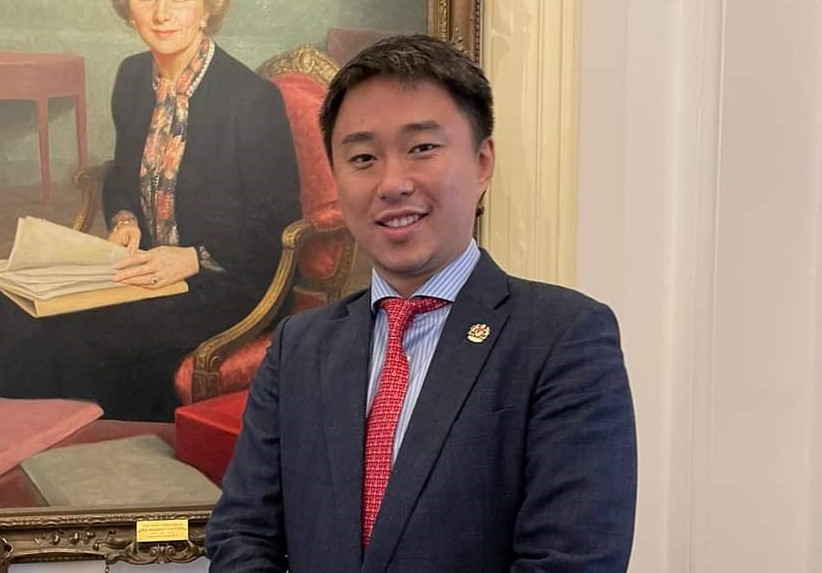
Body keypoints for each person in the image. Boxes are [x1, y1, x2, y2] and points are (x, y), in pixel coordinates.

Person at [206, 34, 636, 572]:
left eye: (422, 148)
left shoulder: (564, 338)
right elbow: (243, 534)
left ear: (482, 162)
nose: (392, 183)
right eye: (363, 157)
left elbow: (572, 561)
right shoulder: (300, 347)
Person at [0, 0, 300, 421]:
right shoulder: (132, 76)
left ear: (207, 9)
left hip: (228, 281)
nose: (161, 13)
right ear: (128, 10)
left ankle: (102, 445)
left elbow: (274, 224)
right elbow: (122, 173)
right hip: (143, 268)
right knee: (13, 309)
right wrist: (124, 217)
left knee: (85, 335)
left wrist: (192, 257)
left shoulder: (251, 99)